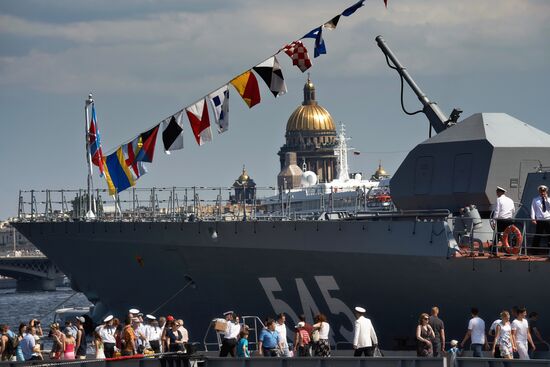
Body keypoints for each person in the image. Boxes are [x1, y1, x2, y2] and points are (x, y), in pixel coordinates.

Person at [531, 185, 550, 255]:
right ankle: (534, 251)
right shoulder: (535, 200)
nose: (543, 192)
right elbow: (533, 209)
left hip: (548, 219)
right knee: (538, 235)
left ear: (546, 191)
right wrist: (533, 218)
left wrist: (547, 199)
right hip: (540, 220)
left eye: (544, 191)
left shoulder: (549, 199)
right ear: (539, 191)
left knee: (549, 235)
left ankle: (549, 251)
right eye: (541, 191)